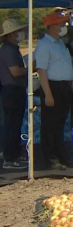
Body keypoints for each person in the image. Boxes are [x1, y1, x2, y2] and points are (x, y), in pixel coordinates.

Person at [34, 11, 73, 169]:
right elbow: (42, 70)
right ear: (51, 26)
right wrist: (48, 94)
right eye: (60, 24)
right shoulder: (44, 45)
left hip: (64, 87)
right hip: (52, 86)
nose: (63, 27)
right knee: (50, 125)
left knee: (60, 124)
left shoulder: (60, 43)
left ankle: (61, 155)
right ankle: (50, 158)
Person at [0, 19, 29, 169]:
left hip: (14, 89)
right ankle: (10, 157)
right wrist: (31, 68)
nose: (21, 33)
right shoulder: (8, 50)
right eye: (18, 31)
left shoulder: (12, 48)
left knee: (15, 124)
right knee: (11, 124)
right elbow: (15, 71)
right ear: (11, 34)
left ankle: (14, 154)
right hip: (11, 90)